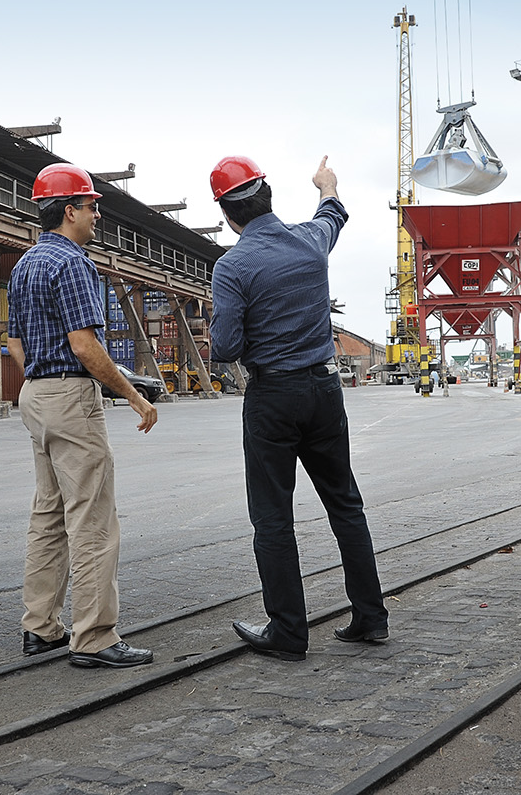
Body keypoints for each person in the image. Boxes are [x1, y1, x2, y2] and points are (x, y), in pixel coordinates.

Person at [207, 154, 388, 661]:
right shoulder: (310, 242)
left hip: (273, 398)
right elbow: (333, 214)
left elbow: (223, 347)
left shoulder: (233, 266)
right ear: (267, 195)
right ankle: (371, 617)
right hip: (326, 392)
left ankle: (288, 632)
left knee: (272, 518)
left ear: (226, 213)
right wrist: (327, 184)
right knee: (345, 504)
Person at [7, 162, 158, 669]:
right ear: (70, 211)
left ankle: (40, 627)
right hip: (70, 398)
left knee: (48, 515)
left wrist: (40, 382)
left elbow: (13, 341)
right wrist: (132, 396)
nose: (97, 216)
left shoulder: (25, 264)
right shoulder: (73, 264)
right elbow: (85, 346)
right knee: (92, 519)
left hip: (35, 395)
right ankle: (94, 637)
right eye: (92, 207)